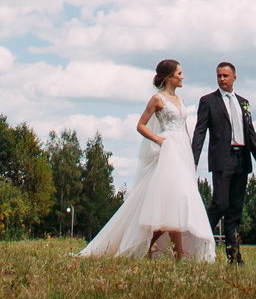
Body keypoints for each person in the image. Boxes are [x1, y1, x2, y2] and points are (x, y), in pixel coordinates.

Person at [77, 60, 218, 261]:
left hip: (182, 150)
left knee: (181, 200)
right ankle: (169, 251)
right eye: (179, 73)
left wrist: (191, 156)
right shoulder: (157, 99)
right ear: (169, 77)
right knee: (173, 200)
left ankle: (171, 251)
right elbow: (141, 125)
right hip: (168, 150)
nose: (182, 76)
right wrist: (159, 139)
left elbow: (184, 128)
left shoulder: (181, 99)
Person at [192, 60, 256, 264]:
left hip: (241, 159)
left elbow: (251, 135)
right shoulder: (208, 101)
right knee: (220, 203)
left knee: (235, 209)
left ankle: (234, 257)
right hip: (222, 159)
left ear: (234, 77)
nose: (221, 79)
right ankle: (197, 240)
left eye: (225, 76)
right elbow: (200, 132)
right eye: (219, 76)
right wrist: (193, 159)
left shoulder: (244, 102)